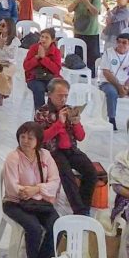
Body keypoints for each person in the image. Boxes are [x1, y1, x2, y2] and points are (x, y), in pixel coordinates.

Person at [3, 121, 60, 258]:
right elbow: (12, 187)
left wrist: (36, 189)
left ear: (38, 141)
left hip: (40, 202)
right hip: (15, 203)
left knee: (56, 225)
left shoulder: (45, 156)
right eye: (22, 137)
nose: (25, 141)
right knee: (34, 228)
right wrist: (27, 191)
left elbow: (55, 181)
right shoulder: (13, 158)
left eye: (30, 138)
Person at [34, 78, 97, 215]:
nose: (63, 99)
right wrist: (59, 123)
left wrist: (76, 123)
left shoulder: (69, 110)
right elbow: (41, 138)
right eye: (60, 95)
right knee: (67, 175)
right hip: (52, 151)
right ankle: (80, 212)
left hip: (71, 149)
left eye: (66, 95)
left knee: (91, 172)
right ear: (50, 94)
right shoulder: (41, 112)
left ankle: (84, 206)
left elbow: (80, 137)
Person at [69, 0, 102, 75]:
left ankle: (91, 76)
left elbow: (95, 12)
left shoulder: (96, 0)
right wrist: (77, 1)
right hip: (79, 32)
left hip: (91, 33)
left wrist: (87, 2)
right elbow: (69, 9)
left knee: (92, 57)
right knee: (78, 55)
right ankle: (78, 74)